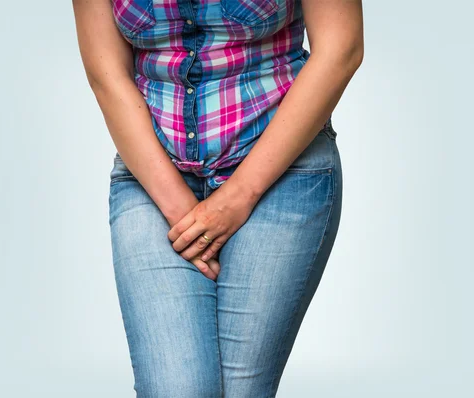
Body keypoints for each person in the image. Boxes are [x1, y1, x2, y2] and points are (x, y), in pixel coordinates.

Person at [72, 0, 363, 396]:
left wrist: (236, 199)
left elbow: (340, 47)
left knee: (241, 391)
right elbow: (107, 74)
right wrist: (182, 212)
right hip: (154, 173)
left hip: (282, 169)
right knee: (175, 389)